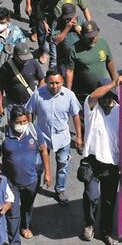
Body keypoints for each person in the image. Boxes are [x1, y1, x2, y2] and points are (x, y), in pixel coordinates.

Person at [25, 69, 82, 205]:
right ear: (46, 82)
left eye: (57, 83)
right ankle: (36, 184)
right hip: (42, 137)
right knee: (38, 164)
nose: (54, 86)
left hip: (62, 138)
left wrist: (79, 136)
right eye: (51, 83)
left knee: (62, 165)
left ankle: (60, 190)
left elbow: (75, 116)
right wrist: (31, 131)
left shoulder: (69, 96)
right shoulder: (38, 94)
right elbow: (29, 111)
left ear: (62, 81)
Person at [0, 105, 45, 245]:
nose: (22, 125)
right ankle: (15, 243)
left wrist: (47, 173)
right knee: (12, 212)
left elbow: (43, 149)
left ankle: (25, 226)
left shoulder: (34, 131)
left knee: (27, 207)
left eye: (24, 121)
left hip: (32, 180)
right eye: (19, 122)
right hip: (10, 182)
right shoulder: (2, 134)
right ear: (11, 121)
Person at [81, 74, 122, 245]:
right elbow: (93, 97)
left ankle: (106, 232)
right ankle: (89, 224)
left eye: (111, 97)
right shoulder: (91, 108)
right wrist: (113, 84)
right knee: (92, 196)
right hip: (92, 161)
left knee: (109, 201)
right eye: (104, 97)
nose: (107, 100)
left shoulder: (120, 110)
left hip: (112, 164)